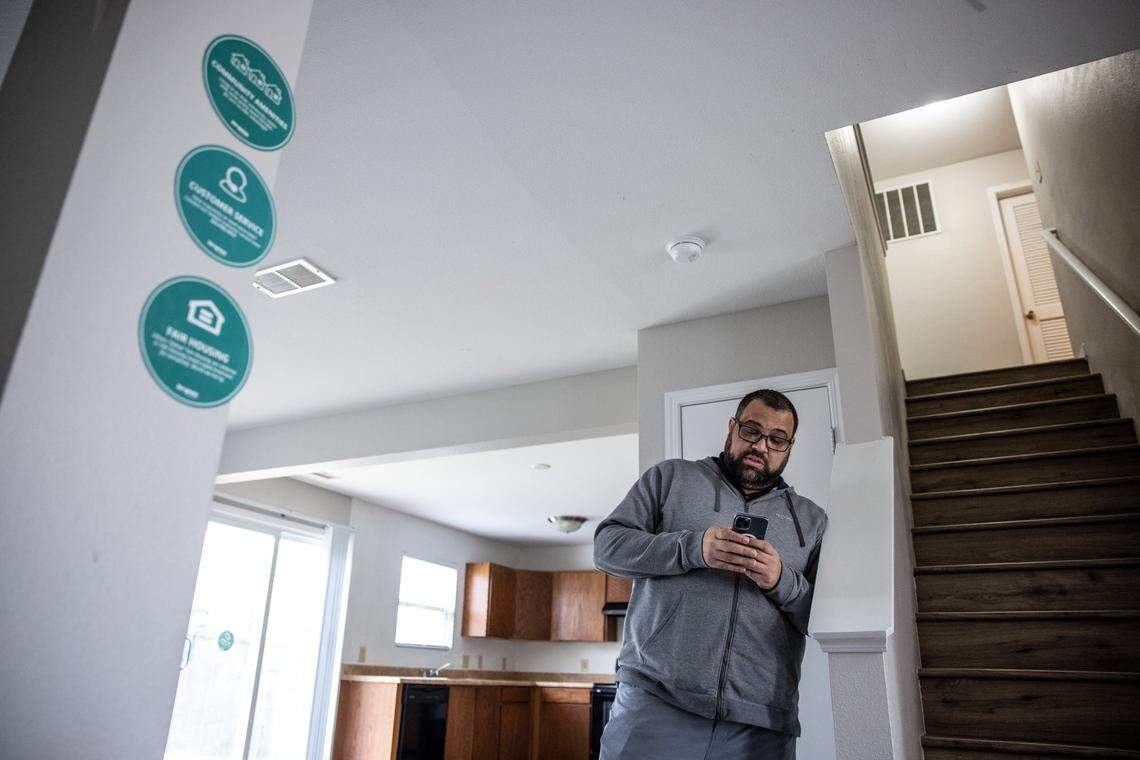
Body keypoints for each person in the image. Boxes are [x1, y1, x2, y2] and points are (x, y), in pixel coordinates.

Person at [593, 388, 827, 760]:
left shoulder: (812, 521)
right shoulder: (670, 478)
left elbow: (823, 616)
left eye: (777, 439)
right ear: (732, 427)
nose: (761, 446)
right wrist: (692, 549)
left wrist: (780, 580)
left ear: (789, 446)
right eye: (751, 430)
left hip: (759, 725)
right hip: (655, 703)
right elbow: (607, 548)